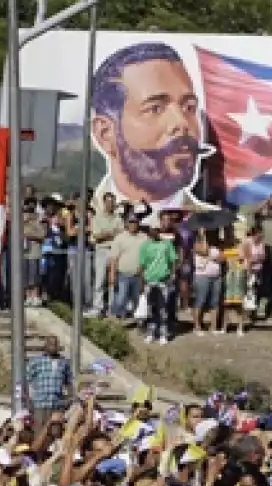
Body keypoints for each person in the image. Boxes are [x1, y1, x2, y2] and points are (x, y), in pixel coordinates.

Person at [88, 42, 217, 211]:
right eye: (155, 109)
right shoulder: (82, 223)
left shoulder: (221, 229)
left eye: (189, 107)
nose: (181, 123)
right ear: (105, 133)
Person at [139, 216, 180, 344]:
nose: (155, 232)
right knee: (151, 308)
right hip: (149, 281)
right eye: (153, 229)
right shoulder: (145, 246)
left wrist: (172, 276)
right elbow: (142, 265)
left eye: (157, 229)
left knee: (163, 309)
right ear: (149, 231)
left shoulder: (166, 244)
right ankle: (151, 333)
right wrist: (142, 282)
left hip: (163, 280)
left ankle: (163, 334)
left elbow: (173, 260)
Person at [25, 336, 73, 419]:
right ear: (45, 346)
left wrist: (69, 399)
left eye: (55, 344)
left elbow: (69, 382)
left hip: (57, 405)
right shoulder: (36, 361)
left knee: (55, 430)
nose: (53, 347)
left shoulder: (63, 362)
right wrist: (28, 401)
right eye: (50, 344)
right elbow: (27, 380)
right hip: (39, 404)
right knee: (40, 430)